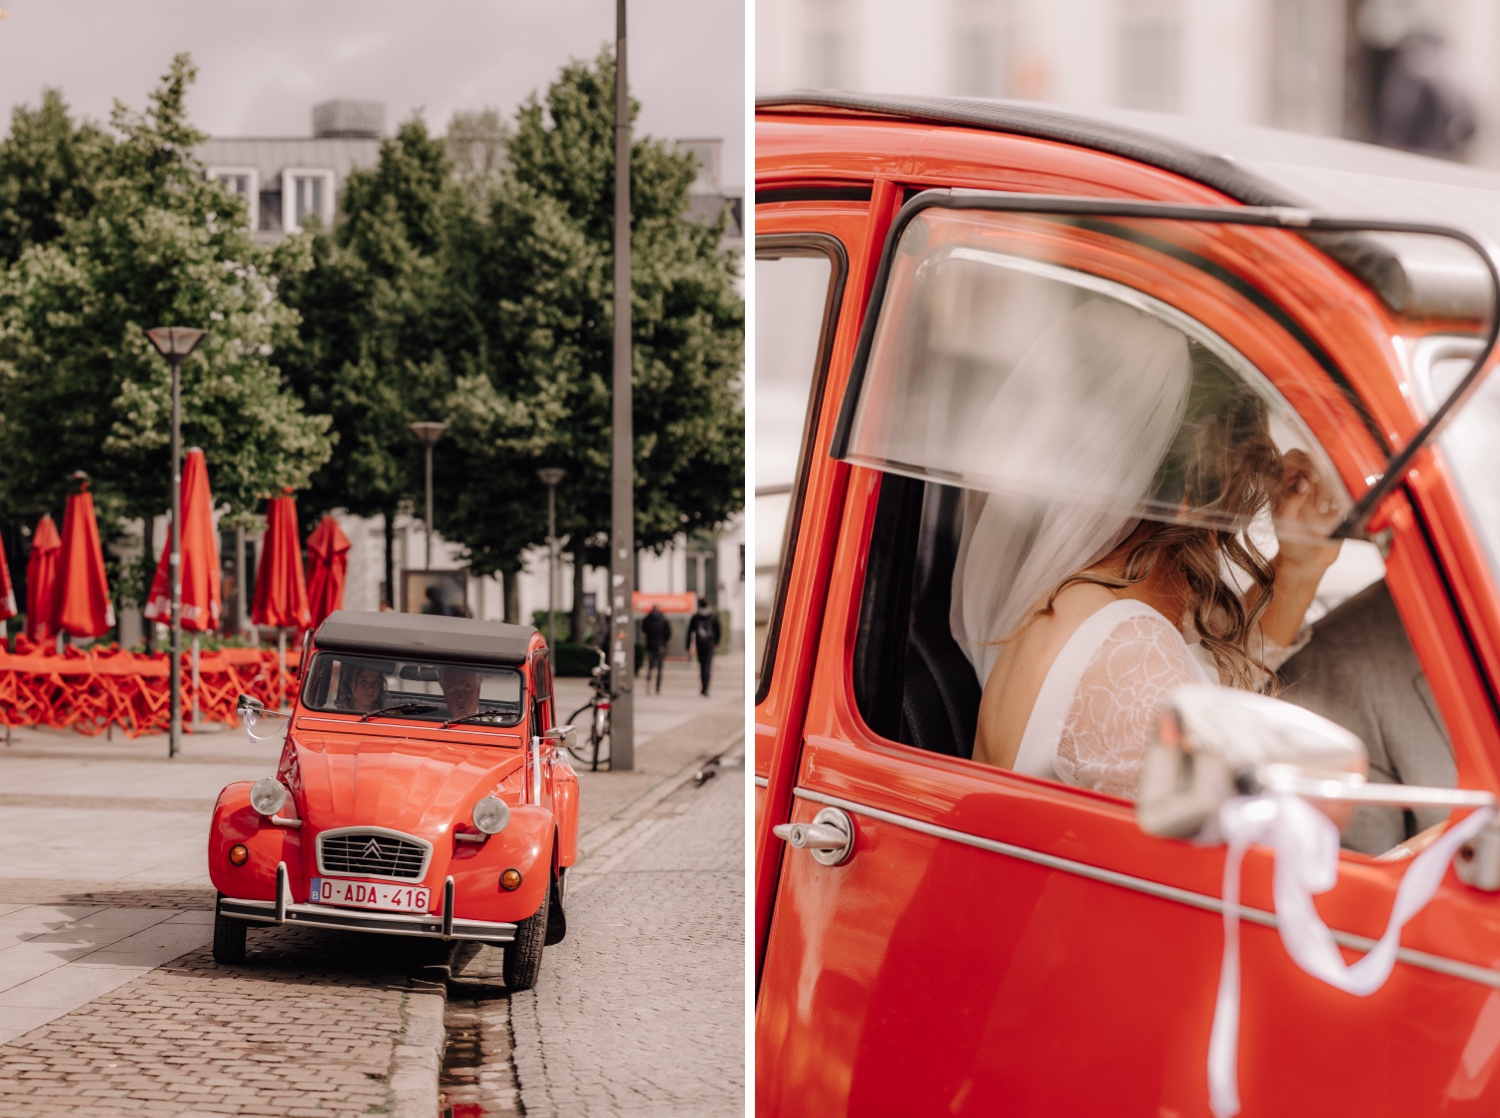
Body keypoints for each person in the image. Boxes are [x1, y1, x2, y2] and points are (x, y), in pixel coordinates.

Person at [960, 300, 1343, 794]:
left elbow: (1210, 685)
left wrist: (1299, 563)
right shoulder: (1125, 650)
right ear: (1187, 504)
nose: (1225, 538)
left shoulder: (1083, 606)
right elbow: (1218, 852)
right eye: (1235, 511)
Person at [685, 597, 721, 697]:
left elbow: (689, 632)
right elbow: (718, 631)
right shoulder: (713, 617)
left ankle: (703, 687)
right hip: (710, 645)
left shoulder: (695, 617)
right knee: (707, 666)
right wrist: (717, 642)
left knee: (702, 666)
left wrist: (688, 646)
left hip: (699, 645)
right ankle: (706, 688)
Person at [642, 605, 671, 693]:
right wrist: (664, 642)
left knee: (650, 666)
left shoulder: (647, 618)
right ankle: (657, 687)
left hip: (650, 645)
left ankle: (648, 684)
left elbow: (643, 629)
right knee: (660, 667)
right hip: (660, 646)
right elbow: (668, 633)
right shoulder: (663, 619)